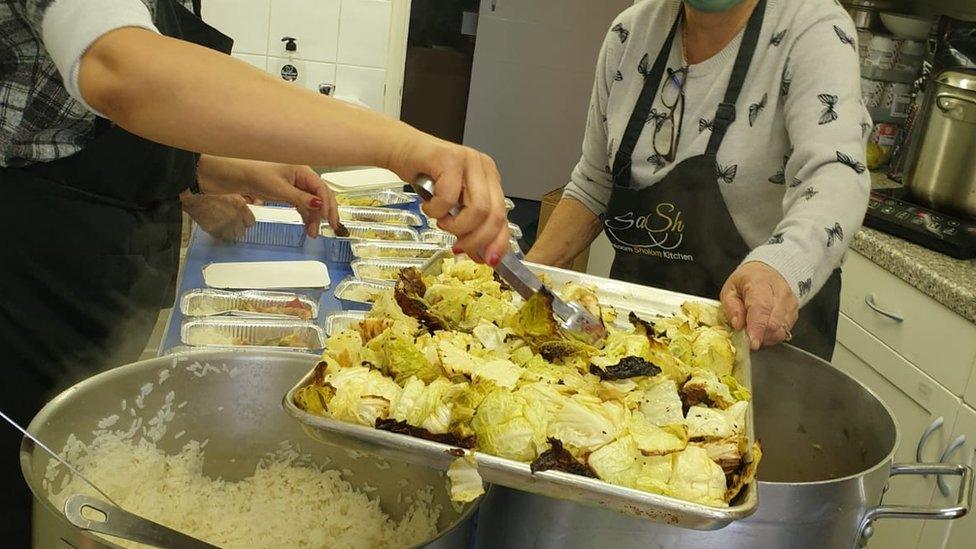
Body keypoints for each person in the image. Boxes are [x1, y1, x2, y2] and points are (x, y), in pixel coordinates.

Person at [0, 0, 509, 541]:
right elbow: (121, 72)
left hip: (94, 278)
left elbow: (78, 123)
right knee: (28, 495)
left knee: (88, 455)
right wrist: (400, 145)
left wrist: (213, 168)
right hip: (23, 279)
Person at [527, 0, 870, 360]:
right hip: (638, 342)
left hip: (757, 346)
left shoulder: (813, 28)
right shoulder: (629, 35)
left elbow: (836, 173)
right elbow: (595, 183)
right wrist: (524, 278)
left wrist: (779, 267)